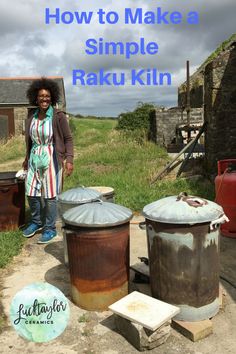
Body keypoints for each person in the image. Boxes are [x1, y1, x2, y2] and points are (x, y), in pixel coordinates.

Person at [22, 77, 73, 244]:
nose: (44, 99)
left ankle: (50, 228)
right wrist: (26, 158)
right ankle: (36, 222)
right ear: (35, 98)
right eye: (41, 96)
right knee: (31, 192)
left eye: (47, 96)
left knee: (51, 194)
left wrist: (69, 160)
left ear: (52, 98)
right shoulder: (31, 116)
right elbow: (29, 141)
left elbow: (68, 139)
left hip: (52, 157)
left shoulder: (58, 116)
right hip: (35, 157)